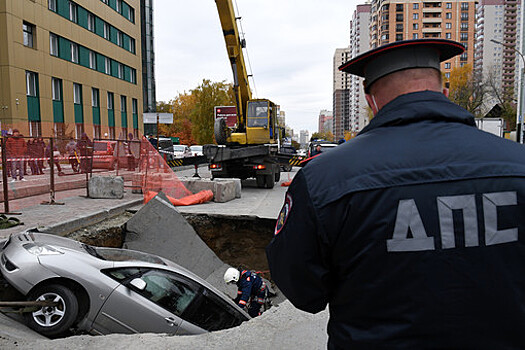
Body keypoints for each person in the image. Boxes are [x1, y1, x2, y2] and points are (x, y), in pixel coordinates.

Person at [266, 39, 525, 349]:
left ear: (372, 101)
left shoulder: (325, 180)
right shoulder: (517, 164)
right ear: (443, 93)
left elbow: (302, 291)